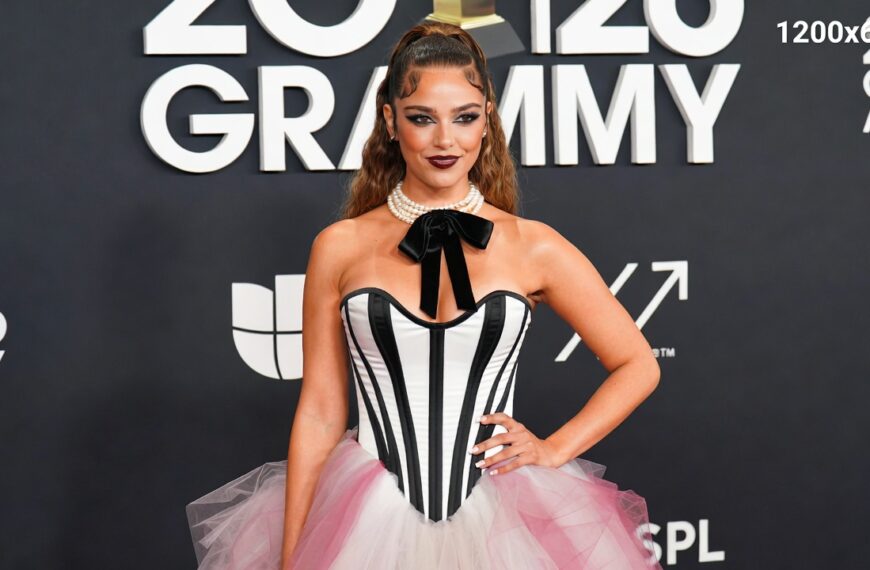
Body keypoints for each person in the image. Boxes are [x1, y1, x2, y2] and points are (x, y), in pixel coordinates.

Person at [185, 22, 663, 570]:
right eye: (421, 118)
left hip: (504, 522)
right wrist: (295, 556)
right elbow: (320, 411)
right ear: (390, 122)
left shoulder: (535, 247)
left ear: (487, 122)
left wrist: (553, 449)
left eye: (464, 117)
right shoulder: (339, 247)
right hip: (364, 521)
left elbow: (637, 363)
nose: (445, 141)